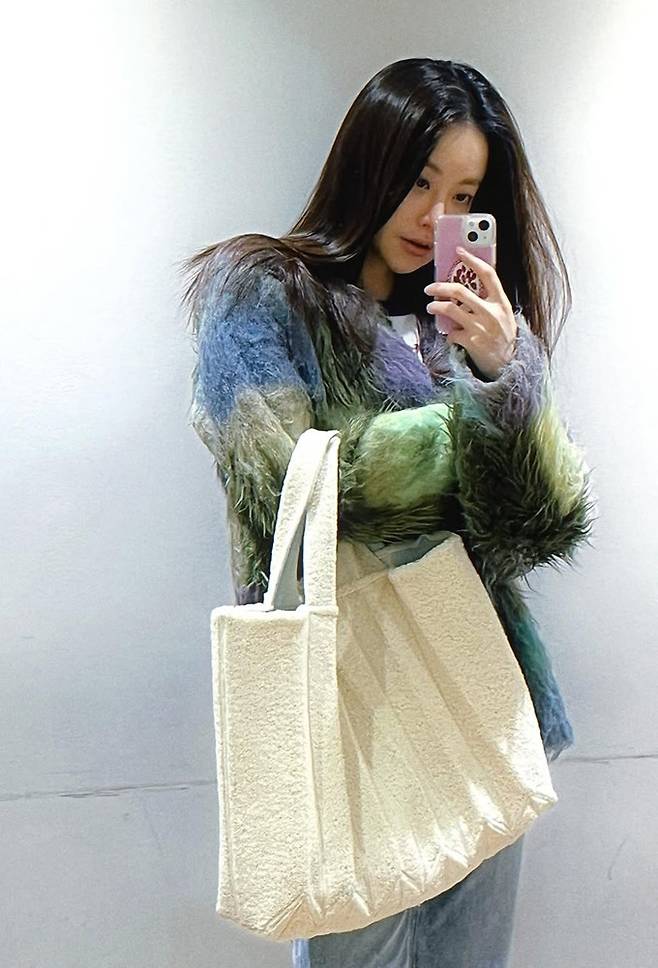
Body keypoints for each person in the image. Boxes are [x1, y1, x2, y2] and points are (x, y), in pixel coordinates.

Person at [181, 58, 596, 968]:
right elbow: (288, 487)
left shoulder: (459, 329)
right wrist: (470, 427)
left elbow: (538, 527)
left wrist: (505, 378)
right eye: (419, 180)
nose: (435, 214)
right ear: (369, 161)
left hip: (476, 696)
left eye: (464, 196)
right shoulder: (262, 292)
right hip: (352, 710)